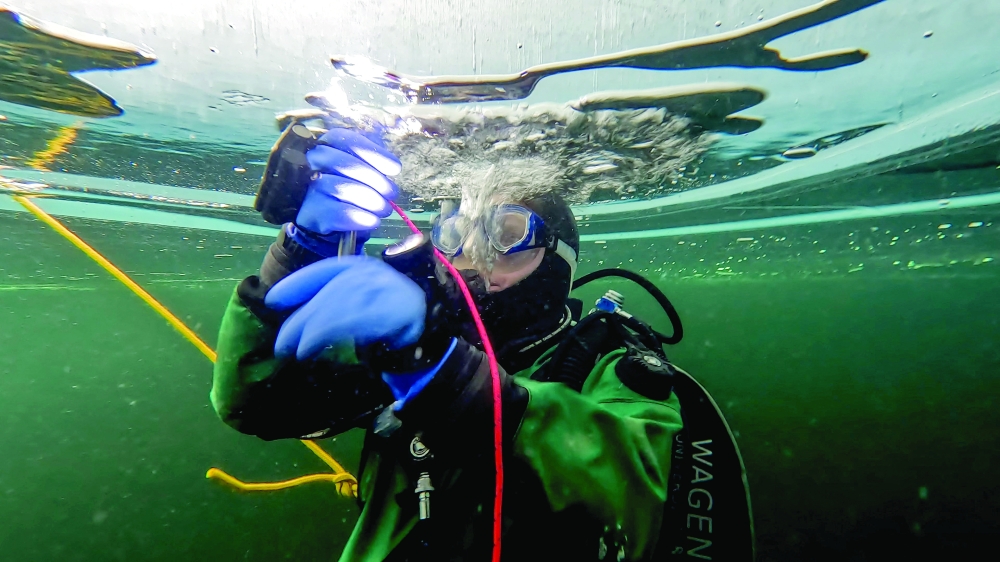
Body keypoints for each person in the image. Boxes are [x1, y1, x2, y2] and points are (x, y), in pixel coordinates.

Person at [211, 127, 748, 561]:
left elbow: (630, 494)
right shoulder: (402, 336)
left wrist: (437, 372)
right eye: (455, 235)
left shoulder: (611, 363)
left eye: (507, 234)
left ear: (557, 260)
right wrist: (305, 251)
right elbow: (254, 401)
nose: (473, 259)